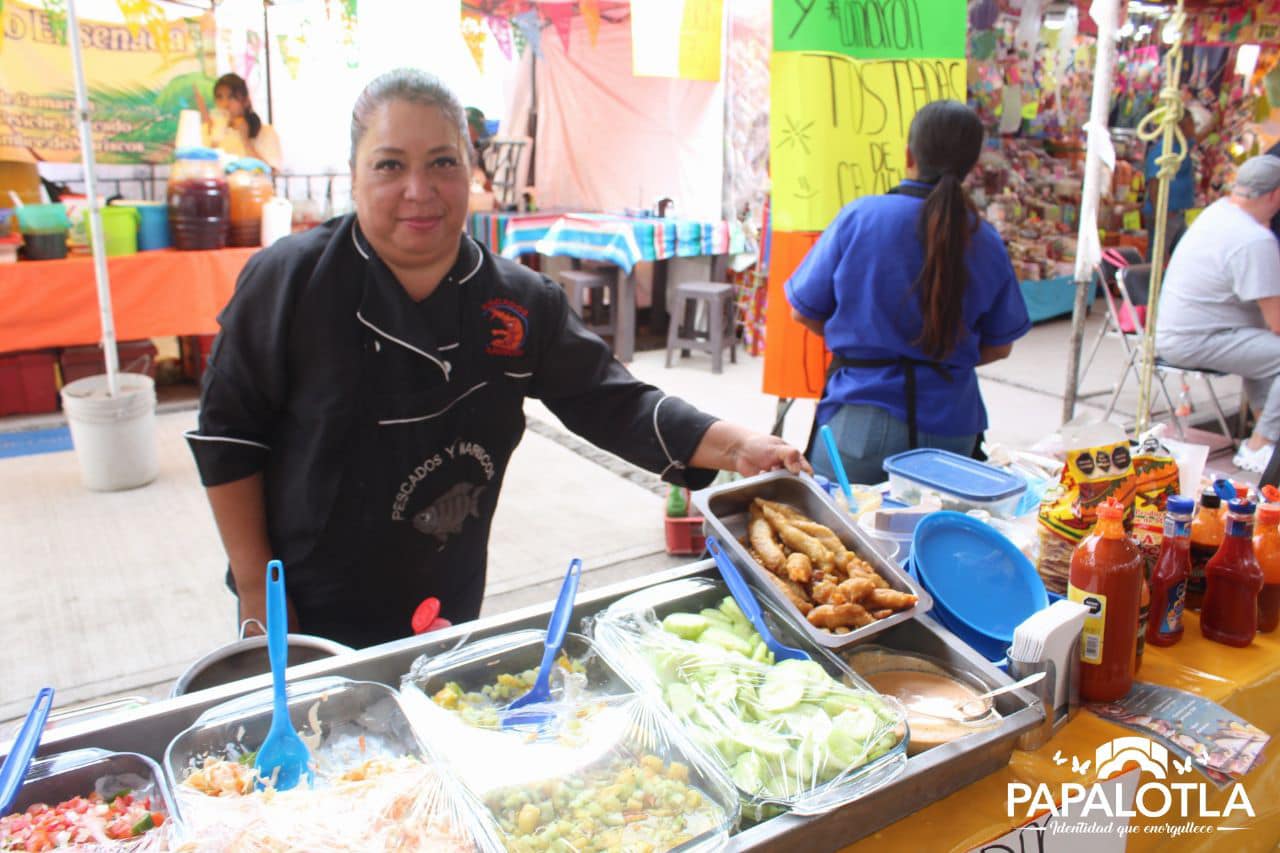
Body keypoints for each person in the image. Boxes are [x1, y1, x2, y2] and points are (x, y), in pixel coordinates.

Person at [186, 68, 806, 648]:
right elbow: (230, 439)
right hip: (305, 602)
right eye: (390, 165)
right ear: (353, 175)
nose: (419, 191)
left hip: (445, 587)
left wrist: (736, 448)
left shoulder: (517, 301)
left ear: (472, 172)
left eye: (442, 163)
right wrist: (254, 594)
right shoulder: (290, 283)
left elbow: (610, 399)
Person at [785, 100, 1031, 485]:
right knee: (932, 541)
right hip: (953, 429)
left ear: (908, 155)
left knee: (845, 538)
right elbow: (1000, 345)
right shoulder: (984, 238)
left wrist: (863, 347)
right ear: (971, 167)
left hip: (861, 420)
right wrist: (938, 355)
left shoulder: (861, 217)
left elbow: (804, 309)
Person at [1154, 155, 1280, 473]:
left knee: (1265, 353)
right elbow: (1277, 322)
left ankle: (1267, 433)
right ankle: (1260, 445)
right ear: (1275, 195)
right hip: (1197, 339)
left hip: (1183, 332)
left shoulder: (1218, 213)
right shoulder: (1253, 239)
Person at [197, 73, 283, 172]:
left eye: (231, 97)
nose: (225, 104)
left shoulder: (265, 132)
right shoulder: (207, 131)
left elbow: (272, 173)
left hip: (253, 186)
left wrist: (245, 140)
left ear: (246, 101)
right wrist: (213, 140)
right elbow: (200, 170)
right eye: (219, 97)